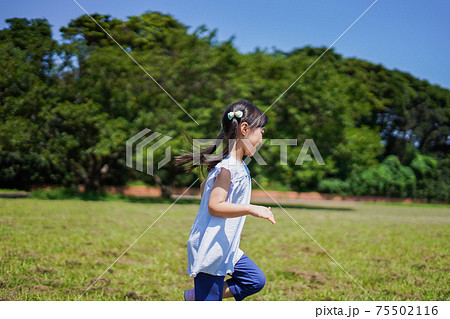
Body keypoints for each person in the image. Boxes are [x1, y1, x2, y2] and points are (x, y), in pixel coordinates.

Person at [175, 100, 276, 301]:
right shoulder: (227, 168)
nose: (262, 137)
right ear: (245, 129)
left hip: (226, 246)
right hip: (211, 248)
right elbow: (214, 206)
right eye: (261, 131)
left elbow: (205, 191)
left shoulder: (233, 167)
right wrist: (250, 208)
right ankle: (202, 298)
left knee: (254, 279)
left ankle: (197, 297)